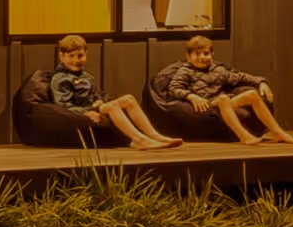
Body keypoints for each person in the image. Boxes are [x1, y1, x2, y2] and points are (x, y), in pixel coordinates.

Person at [15, 35, 181, 149]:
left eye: (79, 56)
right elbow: (62, 106)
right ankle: (139, 140)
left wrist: (99, 101)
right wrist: (85, 114)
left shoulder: (86, 76)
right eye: (71, 56)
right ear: (61, 56)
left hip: (94, 107)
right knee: (112, 108)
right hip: (80, 113)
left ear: (86, 54)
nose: (75, 60)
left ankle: (155, 136)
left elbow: (95, 94)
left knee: (129, 99)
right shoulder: (60, 79)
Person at [147, 34, 293, 144]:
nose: (202, 57)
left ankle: (277, 132)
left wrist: (261, 82)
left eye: (206, 53)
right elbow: (173, 89)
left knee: (251, 94)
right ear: (188, 56)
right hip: (204, 107)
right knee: (223, 98)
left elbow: (241, 77)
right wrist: (191, 97)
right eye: (197, 54)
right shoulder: (185, 71)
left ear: (212, 54)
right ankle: (243, 136)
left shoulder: (218, 70)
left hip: (221, 104)